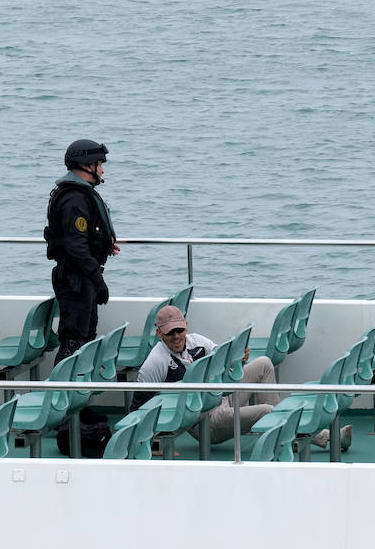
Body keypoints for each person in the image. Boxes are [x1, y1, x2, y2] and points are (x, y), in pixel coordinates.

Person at [130, 305, 329, 447]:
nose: (176, 336)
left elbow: (224, 359)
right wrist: (156, 443)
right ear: (159, 333)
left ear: (186, 326)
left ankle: (285, 433)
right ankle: (318, 436)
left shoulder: (196, 341)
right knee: (267, 411)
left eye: (179, 330)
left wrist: (240, 357)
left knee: (264, 364)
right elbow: (137, 408)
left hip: (219, 397)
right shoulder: (156, 361)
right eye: (169, 332)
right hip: (206, 422)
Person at [44, 139, 118, 363]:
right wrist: (97, 280)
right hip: (76, 281)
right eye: (99, 164)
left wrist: (103, 244)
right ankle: (59, 394)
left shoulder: (79, 195)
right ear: (87, 165)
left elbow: (83, 237)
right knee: (73, 343)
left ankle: (73, 393)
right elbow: (75, 246)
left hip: (82, 278)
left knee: (85, 339)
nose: (102, 169)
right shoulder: (74, 199)